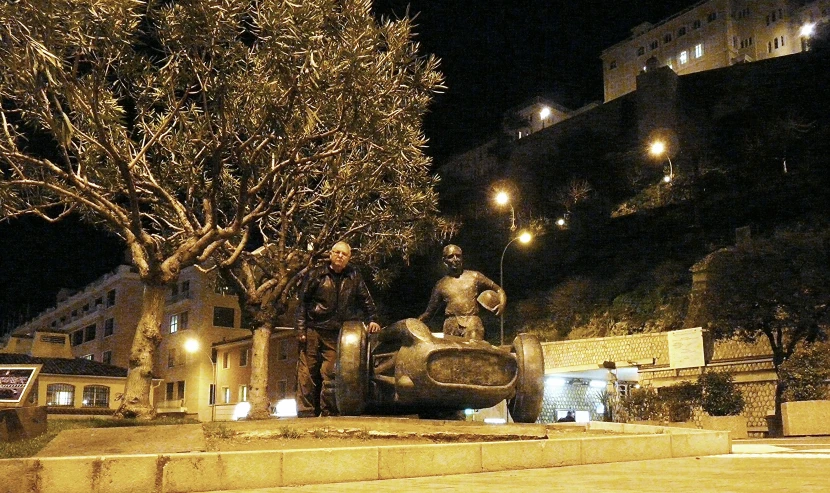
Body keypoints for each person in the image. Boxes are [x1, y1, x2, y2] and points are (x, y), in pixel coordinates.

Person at [295, 241, 381, 417]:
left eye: (344, 254)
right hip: (313, 329)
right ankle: (305, 412)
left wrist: (373, 319)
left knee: (331, 373)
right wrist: (301, 330)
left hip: (336, 332)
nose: (340, 256)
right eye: (337, 252)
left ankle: (329, 412)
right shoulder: (316, 274)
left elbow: (366, 299)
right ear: (331, 254)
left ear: (349, 258)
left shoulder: (354, 276)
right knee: (306, 373)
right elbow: (302, 302)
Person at [418, 244, 505, 340]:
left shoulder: (475, 276)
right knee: (452, 353)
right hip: (451, 324)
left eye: (458, 256)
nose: (455, 259)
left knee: (474, 348)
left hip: (472, 321)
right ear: (444, 260)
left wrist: (502, 304)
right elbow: (429, 313)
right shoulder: (440, 285)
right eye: (451, 256)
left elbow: (499, 290)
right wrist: (416, 323)